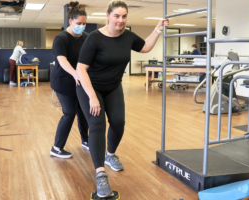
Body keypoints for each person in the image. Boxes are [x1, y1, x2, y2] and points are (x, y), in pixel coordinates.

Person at [76, 0, 169, 197]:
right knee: (98, 125)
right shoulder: (94, 38)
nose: (120, 20)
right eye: (116, 16)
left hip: (113, 87)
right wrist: (92, 97)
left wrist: (157, 30)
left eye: (124, 16)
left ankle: (110, 155)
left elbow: (144, 47)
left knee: (118, 122)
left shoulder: (128, 36)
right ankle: (100, 175)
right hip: (89, 88)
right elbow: (81, 69)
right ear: (108, 16)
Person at [49, 1, 89, 159]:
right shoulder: (61, 38)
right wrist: (74, 73)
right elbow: (62, 60)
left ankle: (86, 141)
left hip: (80, 80)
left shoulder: (86, 37)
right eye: (79, 23)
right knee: (69, 113)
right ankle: (56, 148)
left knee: (83, 112)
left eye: (84, 23)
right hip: (63, 81)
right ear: (70, 21)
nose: (82, 26)